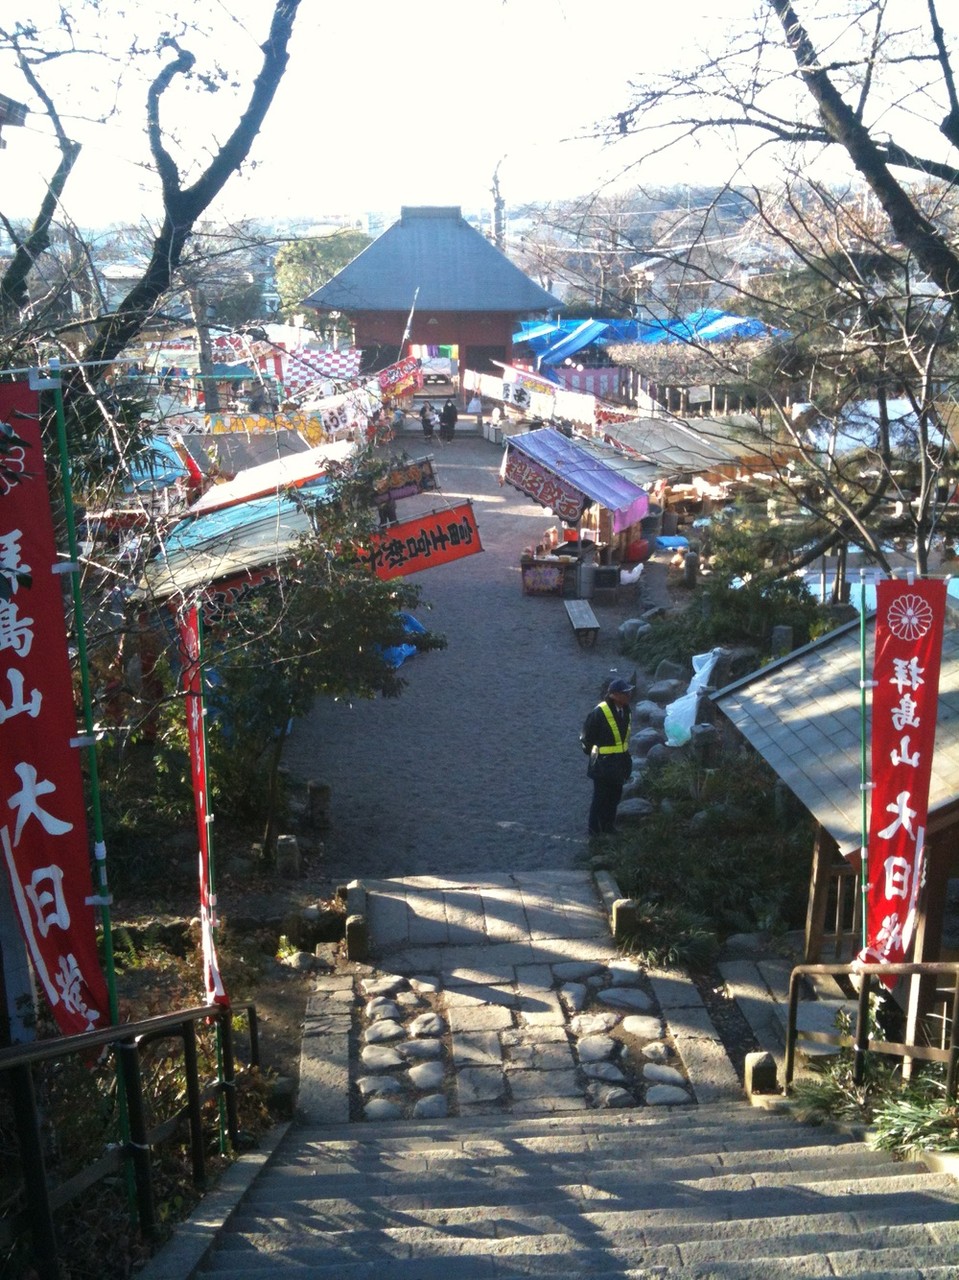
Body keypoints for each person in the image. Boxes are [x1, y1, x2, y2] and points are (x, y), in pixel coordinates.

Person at [580, 677, 633, 837]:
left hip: (618, 763)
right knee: (600, 799)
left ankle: (608, 827)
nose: (629, 694)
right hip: (603, 765)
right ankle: (595, 832)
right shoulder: (599, 712)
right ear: (615, 695)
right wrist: (596, 755)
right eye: (625, 692)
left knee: (614, 797)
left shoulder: (625, 710)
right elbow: (586, 738)